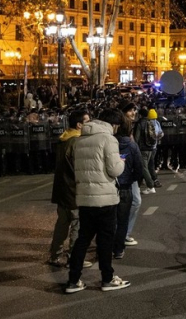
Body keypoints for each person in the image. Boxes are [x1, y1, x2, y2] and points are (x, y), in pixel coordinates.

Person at [65, 108, 129, 294]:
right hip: (105, 198)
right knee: (105, 240)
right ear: (114, 124)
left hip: (85, 197)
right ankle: (107, 278)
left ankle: (73, 280)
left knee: (83, 239)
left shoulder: (80, 139)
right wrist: (122, 162)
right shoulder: (108, 139)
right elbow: (114, 170)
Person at [48, 109, 91, 268]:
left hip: (62, 190)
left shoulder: (64, 139)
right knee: (77, 225)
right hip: (74, 189)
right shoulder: (78, 142)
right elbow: (80, 168)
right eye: (87, 121)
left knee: (62, 224)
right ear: (79, 125)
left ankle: (55, 255)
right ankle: (74, 257)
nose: (90, 124)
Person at [112, 116, 143, 260]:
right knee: (123, 220)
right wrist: (133, 179)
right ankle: (118, 249)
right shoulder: (132, 145)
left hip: (111, 184)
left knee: (111, 220)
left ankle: (107, 247)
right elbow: (139, 167)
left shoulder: (109, 143)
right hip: (125, 186)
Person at [134, 108, 159, 194]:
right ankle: (142, 184)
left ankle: (150, 186)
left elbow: (136, 138)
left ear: (140, 115)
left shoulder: (140, 123)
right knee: (146, 167)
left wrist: (135, 147)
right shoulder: (150, 122)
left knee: (144, 168)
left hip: (142, 149)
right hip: (151, 148)